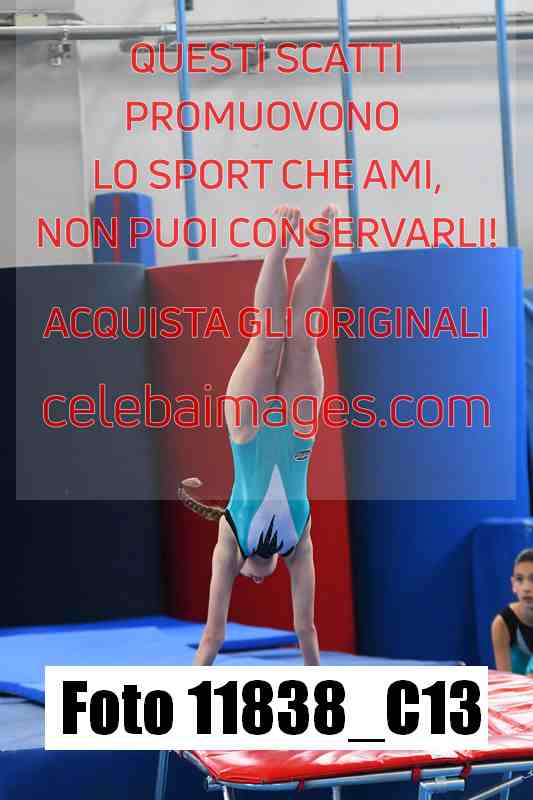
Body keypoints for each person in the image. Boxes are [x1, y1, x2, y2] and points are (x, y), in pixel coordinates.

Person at [178, 204, 338, 666]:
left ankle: (279, 244)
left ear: (241, 570)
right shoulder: (298, 544)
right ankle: (321, 248)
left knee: (269, 338)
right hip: (298, 430)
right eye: (261, 580)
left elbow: (213, 635)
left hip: (247, 429)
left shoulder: (230, 539)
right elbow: (305, 629)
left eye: (246, 579)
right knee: (302, 340)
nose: (257, 579)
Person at [491, 548, 533, 675]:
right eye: (519, 579)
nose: (526, 588)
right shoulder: (502, 623)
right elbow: (505, 679)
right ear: (513, 584)